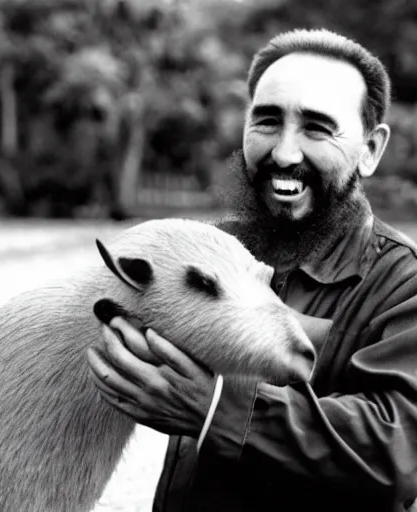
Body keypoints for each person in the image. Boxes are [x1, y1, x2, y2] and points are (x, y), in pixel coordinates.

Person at [87, 28, 417, 512]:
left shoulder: (404, 282)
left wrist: (217, 408)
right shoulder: (215, 248)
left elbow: (399, 452)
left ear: (370, 149)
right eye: (266, 121)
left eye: (317, 128)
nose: (284, 152)